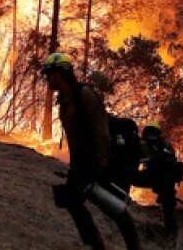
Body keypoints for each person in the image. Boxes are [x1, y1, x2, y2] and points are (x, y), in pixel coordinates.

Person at [43, 52, 142, 250]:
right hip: (80, 165)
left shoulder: (84, 94)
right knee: (70, 199)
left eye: (50, 73)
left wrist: (101, 163)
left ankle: (135, 247)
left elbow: (101, 130)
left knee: (114, 209)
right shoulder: (64, 99)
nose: (48, 78)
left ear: (61, 73)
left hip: (96, 162)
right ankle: (96, 245)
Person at [132, 123, 182, 244]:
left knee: (128, 177)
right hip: (166, 181)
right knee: (168, 205)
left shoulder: (142, 143)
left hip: (154, 178)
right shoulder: (167, 145)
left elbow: (134, 160)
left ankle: (122, 201)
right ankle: (172, 233)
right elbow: (173, 162)